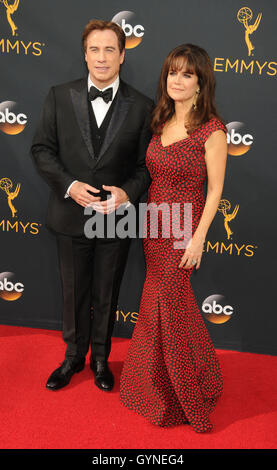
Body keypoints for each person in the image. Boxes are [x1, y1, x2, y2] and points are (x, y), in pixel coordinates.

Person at [31, 20, 153, 392]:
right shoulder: (57, 95)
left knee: (107, 291)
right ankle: (73, 357)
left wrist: (127, 194)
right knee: (74, 292)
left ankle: (101, 357)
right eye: (94, 50)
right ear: (85, 54)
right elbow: (41, 150)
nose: (102, 58)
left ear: (122, 55)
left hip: (115, 219)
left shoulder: (143, 106)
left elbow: (146, 165)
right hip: (70, 215)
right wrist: (68, 185)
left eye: (110, 50)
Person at [120, 44, 227, 433]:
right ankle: (175, 379)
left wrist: (198, 239)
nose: (177, 81)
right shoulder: (161, 119)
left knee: (168, 302)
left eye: (186, 74)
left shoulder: (212, 130)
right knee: (166, 303)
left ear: (200, 82)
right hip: (155, 223)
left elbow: (215, 191)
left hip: (184, 227)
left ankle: (182, 392)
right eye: (172, 73)